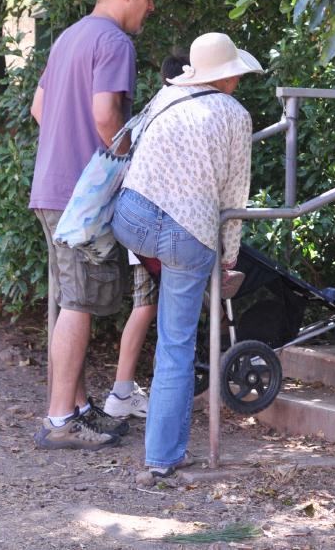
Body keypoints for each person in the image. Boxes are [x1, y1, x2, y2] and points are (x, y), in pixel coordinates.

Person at [29, 0, 171, 450]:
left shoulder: (69, 36)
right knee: (81, 302)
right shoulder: (114, 41)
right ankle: (59, 420)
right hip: (83, 197)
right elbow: (107, 114)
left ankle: (80, 408)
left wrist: (68, 150)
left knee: (74, 299)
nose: (150, 6)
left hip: (53, 187)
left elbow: (40, 108)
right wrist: (124, 163)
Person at [111, 31, 261, 485]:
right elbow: (235, 198)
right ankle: (160, 458)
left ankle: (163, 450)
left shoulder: (166, 96)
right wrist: (228, 261)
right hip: (186, 236)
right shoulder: (235, 115)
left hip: (132, 220)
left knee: (166, 285)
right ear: (229, 75)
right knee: (175, 344)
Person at [102, 49, 188, 421]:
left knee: (147, 306)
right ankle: (126, 390)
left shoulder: (149, 112)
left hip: (139, 222)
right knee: (152, 307)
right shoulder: (177, 113)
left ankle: (125, 389)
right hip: (161, 223)